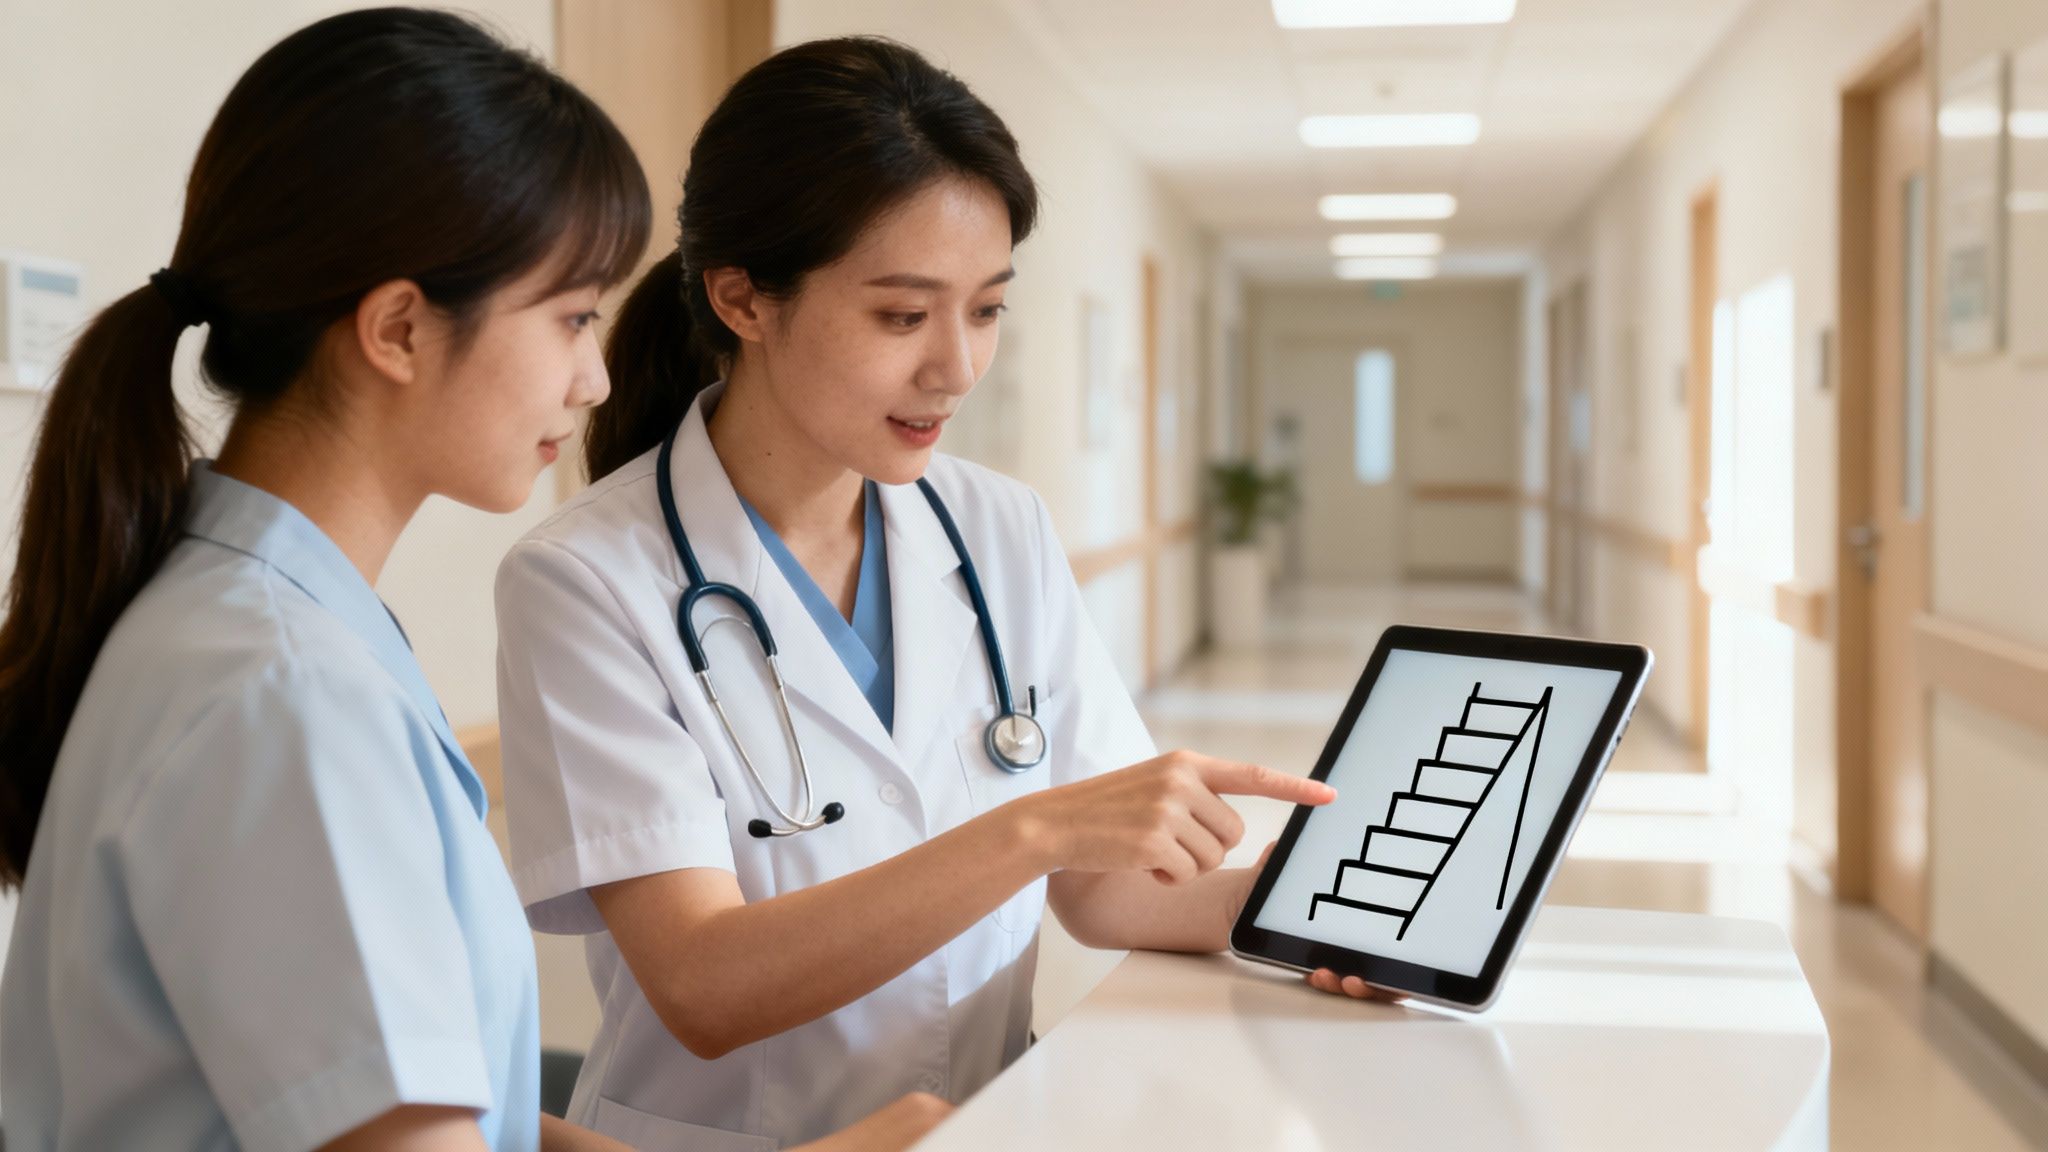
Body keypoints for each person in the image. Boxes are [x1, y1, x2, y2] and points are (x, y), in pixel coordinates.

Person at [0, 11, 944, 1151]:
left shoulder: (261, 621)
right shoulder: (280, 692)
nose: (597, 378)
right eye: (571, 318)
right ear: (398, 327)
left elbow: (446, 1118)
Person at [493, 35, 1383, 1151]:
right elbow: (704, 985)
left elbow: (1106, 892)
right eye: (902, 316)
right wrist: (1036, 828)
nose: (955, 369)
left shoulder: (997, 526)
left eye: (987, 310)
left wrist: (1329, 920)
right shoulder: (587, 579)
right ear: (742, 299)